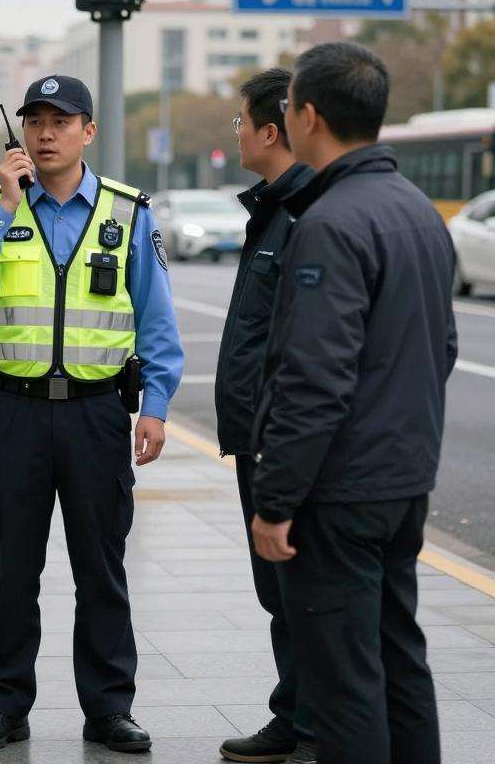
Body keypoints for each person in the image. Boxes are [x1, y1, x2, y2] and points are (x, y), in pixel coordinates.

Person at [0, 76, 184, 754]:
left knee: (101, 570)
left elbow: (157, 319)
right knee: (11, 567)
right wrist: (5, 209)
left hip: (96, 414)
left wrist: (156, 407)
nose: (45, 133)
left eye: (61, 120)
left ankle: (109, 708)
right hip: (14, 414)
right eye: (35, 120)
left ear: (88, 132)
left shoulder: (128, 213)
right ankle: (4, 706)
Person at [250, 43, 457, 764]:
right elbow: (444, 348)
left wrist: (276, 501)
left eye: (287, 108)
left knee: (343, 684)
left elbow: (314, 378)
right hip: (404, 480)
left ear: (308, 116)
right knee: (400, 658)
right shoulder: (420, 212)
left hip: (338, 492)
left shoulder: (332, 224)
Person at [214, 69, 315, 764]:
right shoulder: (274, 210)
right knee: (279, 594)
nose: (237, 133)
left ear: (272, 130)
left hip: (286, 441)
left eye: (241, 122)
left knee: (301, 593)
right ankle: (296, 713)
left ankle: (314, 727)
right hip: (259, 437)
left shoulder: (308, 215)